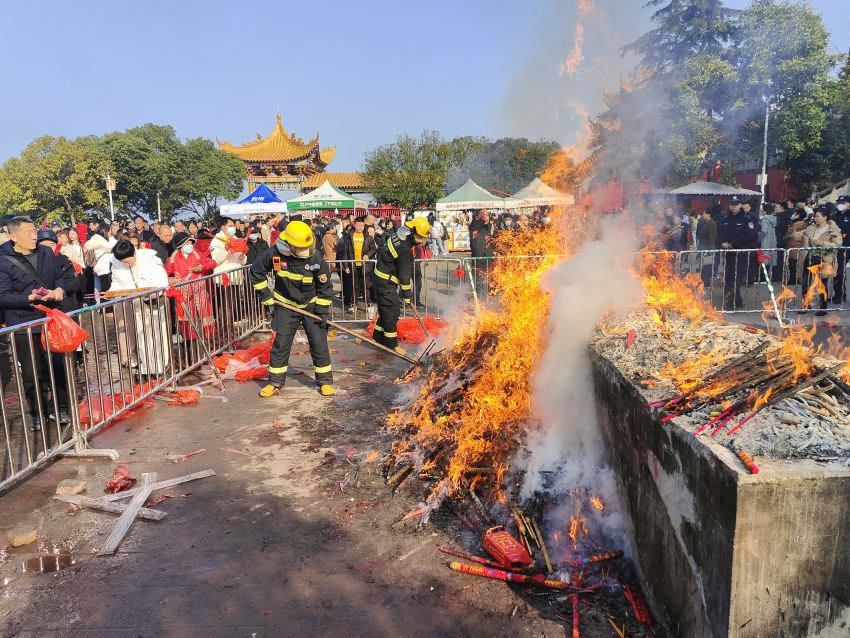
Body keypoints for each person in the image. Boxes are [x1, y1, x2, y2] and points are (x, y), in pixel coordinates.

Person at [249, 221, 334, 398]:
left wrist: (322, 311)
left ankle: (325, 382)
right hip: (285, 305)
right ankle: (275, 382)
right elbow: (256, 272)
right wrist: (266, 296)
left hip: (311, 305)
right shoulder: (275, 254)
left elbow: (325, 287)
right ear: (288, 244)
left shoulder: (315, 257)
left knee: (319, 343)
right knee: (281, 345)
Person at [0, 217, 69, 430]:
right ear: (13, 236)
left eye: (34, 231)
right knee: (31, 373)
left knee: (58, 367)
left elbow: (60, 277)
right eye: (28, 232)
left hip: (50, 319)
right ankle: (38, 412)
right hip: (23, 323)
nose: (34, 236)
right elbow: (3, 296)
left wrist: (59, 290)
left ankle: (62, 408)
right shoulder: (3, 260)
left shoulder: (46, 252)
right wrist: (28, 298)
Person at [109, 239, 170, 375]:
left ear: (134, 254)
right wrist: (113, 293)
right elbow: (117, 282)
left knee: (157, 334)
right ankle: (146, 365)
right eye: (122, 261)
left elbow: (162, 284)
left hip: (153, 302)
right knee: (141, 335)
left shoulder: (150, 261)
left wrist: (147, 294)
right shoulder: (117, 264)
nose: (124, 263)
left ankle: (161, 365)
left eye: (127, 260)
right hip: (136, 304)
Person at [371, 217, 430, 355]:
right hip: (385, 283)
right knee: (392, 312)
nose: (421, 240)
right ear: (412, 231)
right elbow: (404, 276)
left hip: (381, 279)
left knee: (386, 312)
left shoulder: (399, 234)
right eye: (420, 237)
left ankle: (378, 338)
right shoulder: (404, 248)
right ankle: (391, 345)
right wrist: (408, 296)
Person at [164, 232, 216, 340]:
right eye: (186, 243)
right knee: (187, 317)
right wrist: (171, 279)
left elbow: (212, 262)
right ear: (180, 246)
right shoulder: (172, 259)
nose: (190, 246)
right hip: (183, 292)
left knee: (205, 314)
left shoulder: (196, 254)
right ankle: (190, 340)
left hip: (199, 289)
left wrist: (200, 267)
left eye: (190, 243)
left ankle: (209, 338)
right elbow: (163, 274)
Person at [717, 196, 758, 310]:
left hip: (741, 253)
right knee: (729, 276)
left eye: (736, 204)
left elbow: (750, 235)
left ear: (740, 205)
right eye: (731, 204)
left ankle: (732, 302)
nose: (733, 206)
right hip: (729, 254)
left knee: (737, 277)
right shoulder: (726, 219)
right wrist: (722, 243)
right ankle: (736, 301)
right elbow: (720, 233)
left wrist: (732, 244)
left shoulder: (747, 219)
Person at [799, 208, 842, 316]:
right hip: (809, 258)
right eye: (815, 216)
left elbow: (837, 245)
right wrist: (791, 233)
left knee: (822, 284)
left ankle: (823, 307)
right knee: (805, 283)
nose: (815, 218)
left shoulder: (833, 230)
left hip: (824, 259)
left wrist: (822, 243)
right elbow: (800, 235)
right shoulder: (811, 228)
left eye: (818, 216)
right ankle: (806, 305)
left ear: (825, 217)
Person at [340, 216, 377, 311]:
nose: (361, 227)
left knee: (366, 286)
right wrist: (345, 265)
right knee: (354, 286)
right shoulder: (349, 237)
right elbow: (345, 252)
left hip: (365, 266)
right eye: (359, 225)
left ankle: (368, 304)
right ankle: (354, 305)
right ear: (354, 225)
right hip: (353, 265)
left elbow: (374, 249)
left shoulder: (368, 237)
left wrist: (368, 255)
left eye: (362, 226)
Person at [84, 221, 117, 295]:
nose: (110, 233)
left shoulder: (99, 239)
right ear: (106, 231)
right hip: (104, 268)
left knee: (99, 290)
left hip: (100, 267)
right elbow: (114, 246)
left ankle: (102, 304)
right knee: (106, 291)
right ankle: (107, 305)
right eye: (110, 230)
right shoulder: (100, 240)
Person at [831, 195, 850, 303]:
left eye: (843, 203)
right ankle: (839, 294)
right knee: (838, 271)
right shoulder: (835, 215)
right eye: (839, 203)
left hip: (848, 245)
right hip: (840, 247)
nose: (840, 205)